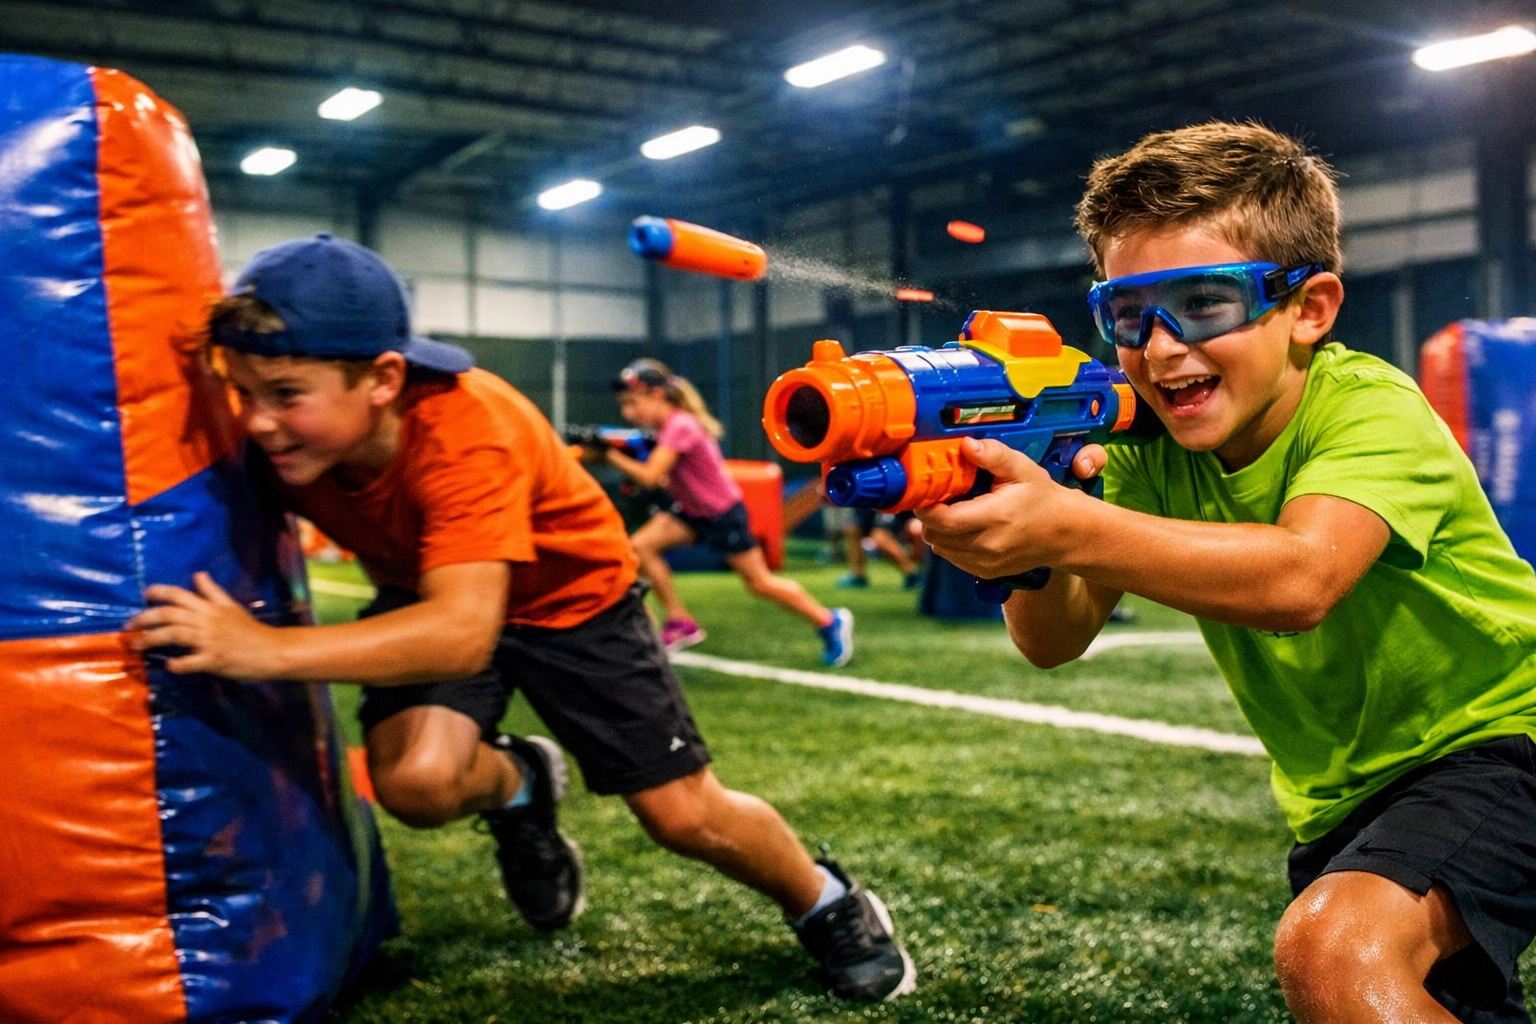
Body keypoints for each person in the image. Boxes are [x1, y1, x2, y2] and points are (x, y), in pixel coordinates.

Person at [127, 233, 915, 1002]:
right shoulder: (293, 438)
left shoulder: (468, 432)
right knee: (418, 785)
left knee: (682, 815)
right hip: (429, 587)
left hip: (570, 604)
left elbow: (461, 633)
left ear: (383, 379)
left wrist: (258, 648)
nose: (257, 422)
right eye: (246, 393)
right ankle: (520, 787)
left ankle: (828, 902)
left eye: (287, 396)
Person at [917, 122, 1536, 1024]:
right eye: (1128, 315)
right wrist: (1023, 542)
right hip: (1341, 791)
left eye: (1204, 303)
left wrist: (1066, 523)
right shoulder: (1141, 447)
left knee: (1335, 947)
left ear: (1311, 309)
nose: (1162, 348)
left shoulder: (1367, 405)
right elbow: (1054, 641)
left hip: (1504, 738)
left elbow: (1299, 580)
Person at [602, 358, 854, 666]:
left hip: (721, 514)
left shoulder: (679, 425)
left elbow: (651, 477)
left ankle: (829, 621)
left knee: (760, 583)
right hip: (692, 512)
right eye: (624, 405)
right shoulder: (665, 427)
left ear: (657, 395)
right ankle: (679, 621)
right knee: (639, 547)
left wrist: (609, 455)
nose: (628, 413)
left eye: (633, 403)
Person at [836, 509, 924, 591]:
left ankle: (913, 574)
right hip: (867, 500)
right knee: (852, 528)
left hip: (886, 498)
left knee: (880, 537)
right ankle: (858, 576)